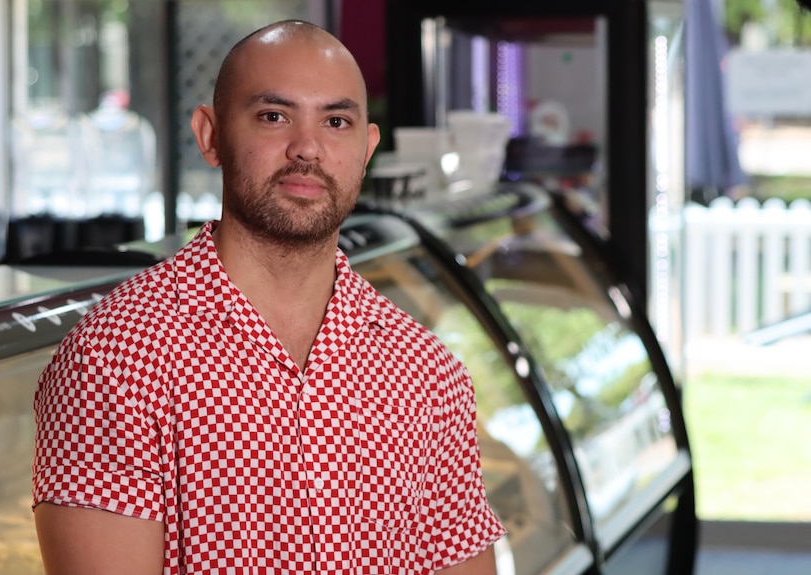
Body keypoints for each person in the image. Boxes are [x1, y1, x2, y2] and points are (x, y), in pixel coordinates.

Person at [32, 19, 506, 574]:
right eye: (273, 116)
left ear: (367, 147)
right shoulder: (115, 360)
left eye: (336, 121)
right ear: (210, 136)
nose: (307, 147)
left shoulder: (427, 372)